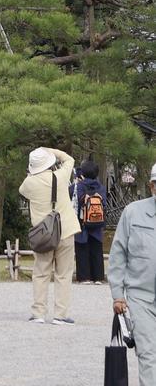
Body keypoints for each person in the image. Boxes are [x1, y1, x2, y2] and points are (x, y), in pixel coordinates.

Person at [18, 146, 79, 324]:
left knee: (41, 272)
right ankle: (60, 314)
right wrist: (51, 151)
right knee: (64, 273)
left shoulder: (29, 183)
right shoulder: (60, 177)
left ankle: (38, 312)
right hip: (65, 230)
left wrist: (32, 171)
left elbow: (22, 189)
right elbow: (69, 159)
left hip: (43, 233)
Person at [110, 162, 156, 386]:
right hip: (141, 296)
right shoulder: (133, 212)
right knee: (147, 353)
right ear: (152, 186)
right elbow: (118, 252)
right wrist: (118, 294)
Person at [72, 160, 107, 284]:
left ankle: (84, 277)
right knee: (97, 251)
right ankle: (98, 277)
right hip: (97, 223)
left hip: (83, 223)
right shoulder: (101, 187)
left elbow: (75, 198)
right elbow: (104, 203)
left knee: (82, 249)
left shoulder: (80, 186)